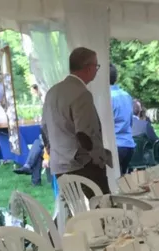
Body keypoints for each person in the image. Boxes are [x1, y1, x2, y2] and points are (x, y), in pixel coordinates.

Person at [42, 47, 112, 195]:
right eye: (96, 66)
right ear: (88, 68)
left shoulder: (52, 92)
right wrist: (98, 160)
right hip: (82, 164)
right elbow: (85, 134)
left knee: (74, 206)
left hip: (59, 164)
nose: (96, 70)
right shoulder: (81, 94)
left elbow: (44, 129)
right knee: (103, 205)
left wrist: (52, 151)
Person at [109, 64, 135, 174]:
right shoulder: (126, 95)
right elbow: (131, 122)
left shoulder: (107, 98)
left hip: (115, 147)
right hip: (128, 144)